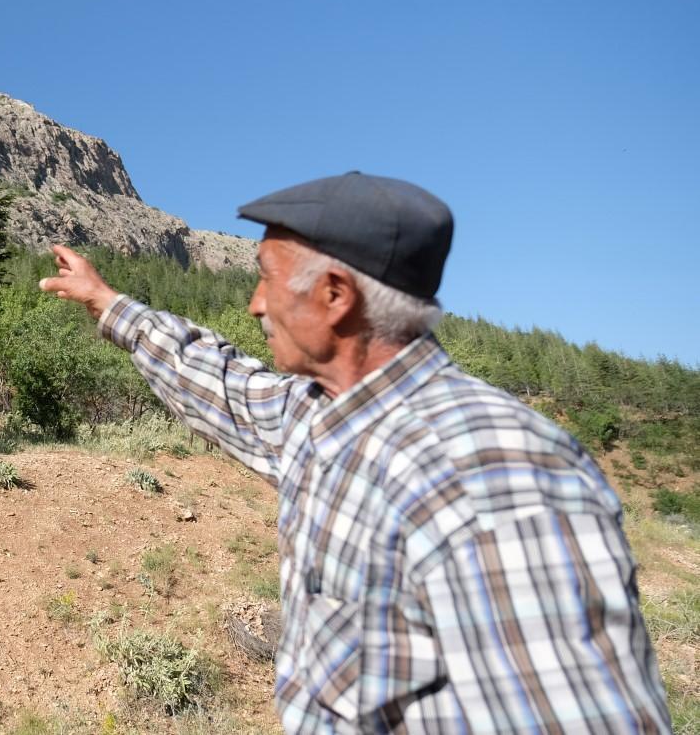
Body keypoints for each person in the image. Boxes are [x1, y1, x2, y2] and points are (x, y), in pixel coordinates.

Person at [38, 172, 671, 734]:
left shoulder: (493, 475)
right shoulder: (317, 417)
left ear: (335, 295)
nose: (256, 302)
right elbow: (221, 385)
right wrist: (106, 301)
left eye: (266, 276)